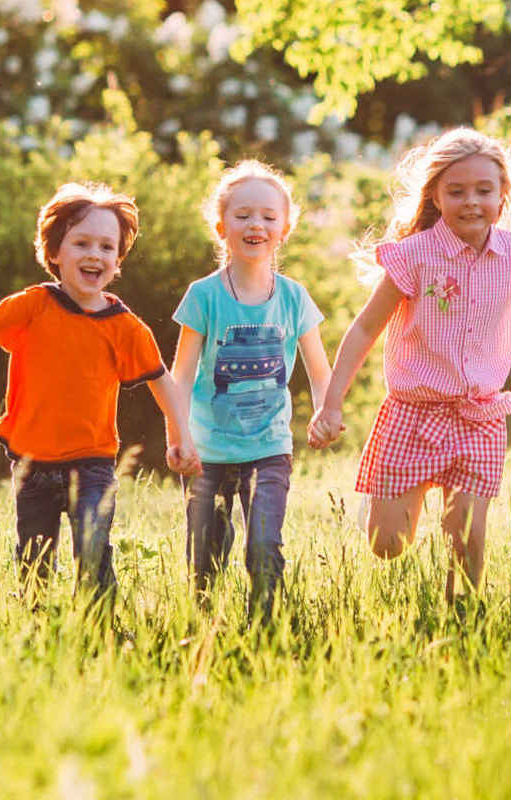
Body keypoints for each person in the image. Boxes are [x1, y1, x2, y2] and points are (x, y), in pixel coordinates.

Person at [306, 128, 511, 600]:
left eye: (484, 190)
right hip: (412, 414)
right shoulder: (415, 256)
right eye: (456, 191)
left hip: (478, 415)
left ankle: (464, 618)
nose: (471, 201)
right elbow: (363, 329)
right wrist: (331, 404)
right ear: (436, 196)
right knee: (388, 544)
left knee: (468, 535)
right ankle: (398, 498)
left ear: (504, 195)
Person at [0, 182, 194, 602]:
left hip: (93, 463)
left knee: (92, 549)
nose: (94, 255)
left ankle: (99, 632)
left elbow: (162, 381)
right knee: (33, 559)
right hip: (32, 463)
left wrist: (180, 437)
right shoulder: (35, 305)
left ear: (118, 260)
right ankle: (38, 630)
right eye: (81, 243)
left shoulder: (126, 328)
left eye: (107, 247)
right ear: (54, 253)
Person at [167, 161, 330, 620]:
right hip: (208, 450)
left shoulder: (295, 298)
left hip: (269, 447)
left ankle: (264, 629)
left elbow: (320, 372)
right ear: (222, 227)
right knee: (205, 557)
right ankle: (203, 630)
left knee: (264, 546)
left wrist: (325, 410)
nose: (255, 224)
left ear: (285, 228)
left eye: (267, 216)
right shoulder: (203, 296)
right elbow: (179, 376)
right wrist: (178, 436)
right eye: (242, 216)